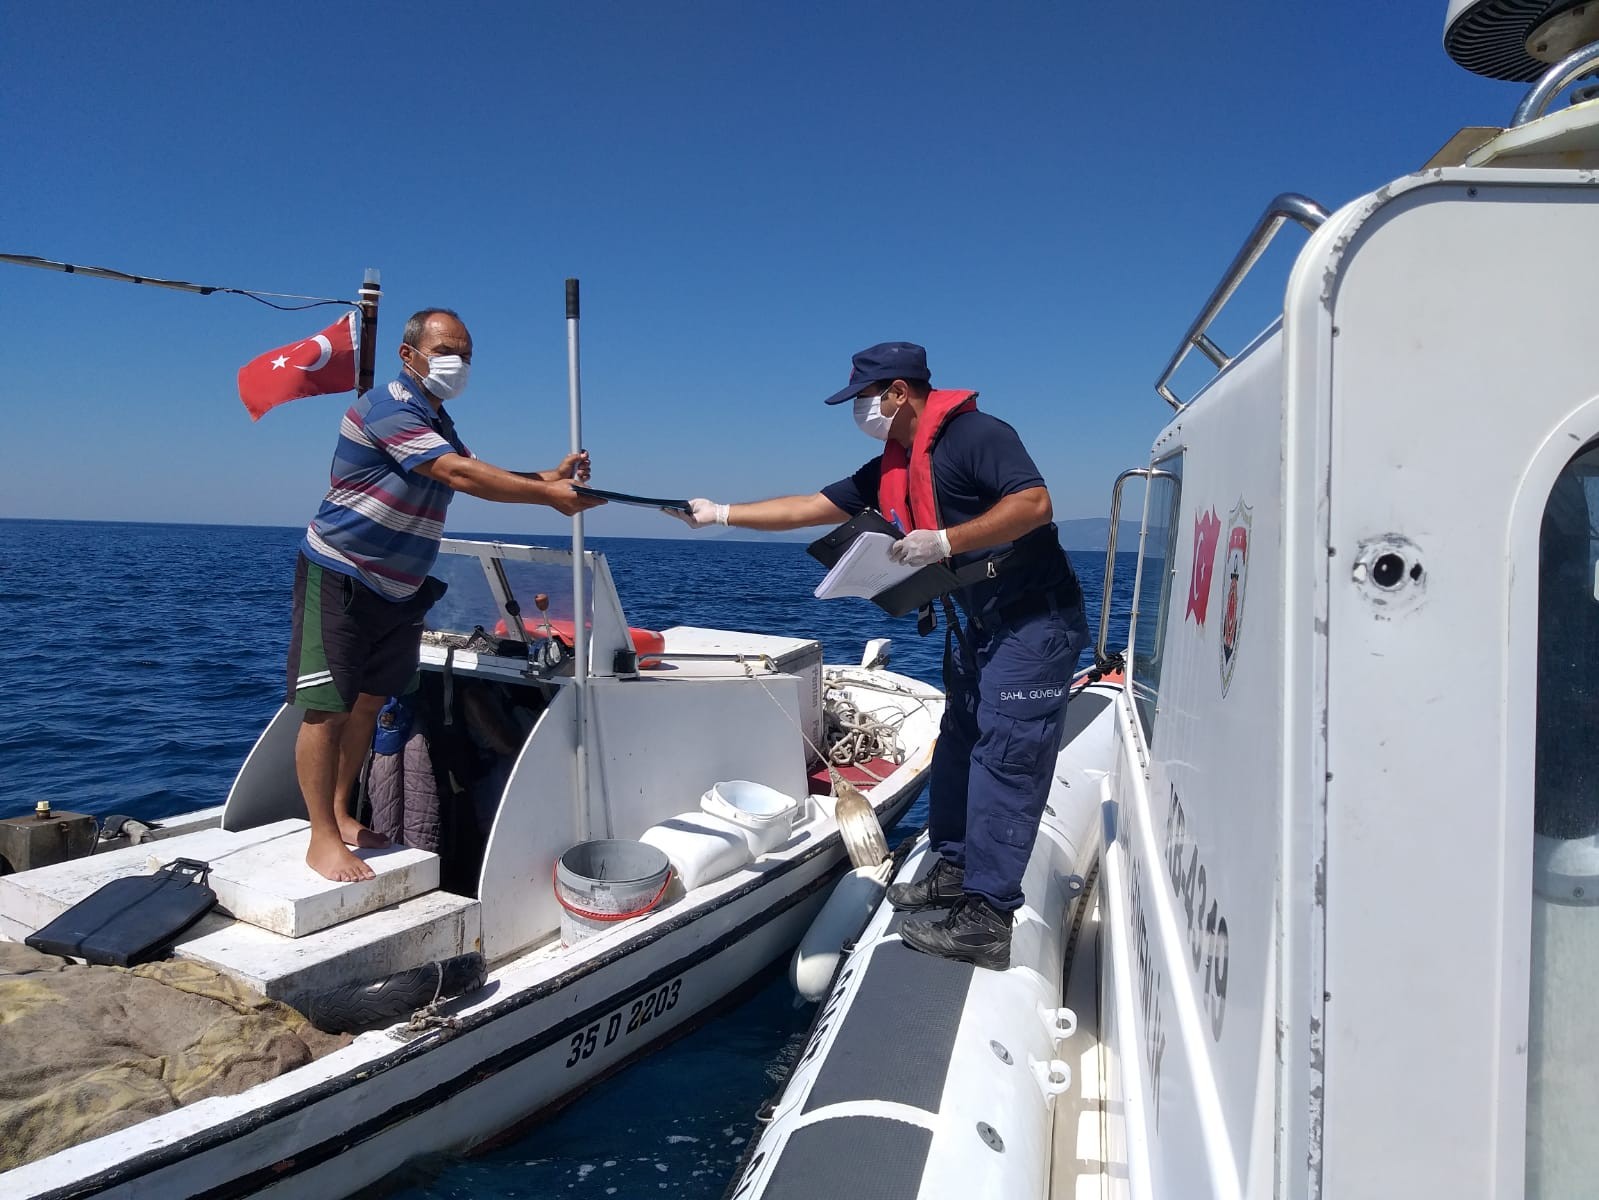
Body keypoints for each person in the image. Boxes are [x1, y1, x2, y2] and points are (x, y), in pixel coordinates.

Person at [666, 341, 1088, 970]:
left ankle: (988, 918)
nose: (858, 411)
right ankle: (955, 871)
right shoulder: (891, 462)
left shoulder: (978, 436)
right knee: (958, 746)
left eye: (862, 398)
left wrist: (945, 540)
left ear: (896, 392)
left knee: (1006, 756)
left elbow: (1033, 504)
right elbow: (809, 507)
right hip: (977, 626)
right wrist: (720, 513)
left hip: (1033, 623)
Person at [287, 307, 605, 882]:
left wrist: (549, 478)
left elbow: (475, 471)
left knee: (369, 702)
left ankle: (342, 813)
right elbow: (458, 475)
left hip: (400, 588)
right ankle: (321, 836)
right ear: (408, 355)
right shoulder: (388, 408)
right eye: (445, 352)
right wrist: (549, 497)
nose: (457, 364)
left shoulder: (435, 420)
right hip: (343, 572)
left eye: (466, 355)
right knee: (328, 708)